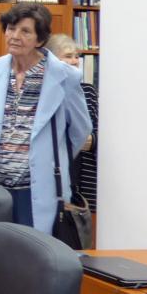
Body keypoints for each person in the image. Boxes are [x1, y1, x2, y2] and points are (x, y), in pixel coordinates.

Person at [0, 5, 91, 232]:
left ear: (40, 39)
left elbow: (80, 130)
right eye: (11, 28)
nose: (15, 36)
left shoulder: (65, 76)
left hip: (37, 189)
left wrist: (53, 157)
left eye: (25, 31)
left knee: (33, 250)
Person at [45, 33, 99, 212]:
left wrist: (91, 140)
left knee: (79, 225)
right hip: (52, 172)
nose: (75, 61)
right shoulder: (43, 92)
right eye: (68, 56)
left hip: (83, 174)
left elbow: (96, 133)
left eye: (77, 56)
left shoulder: (87, 91)